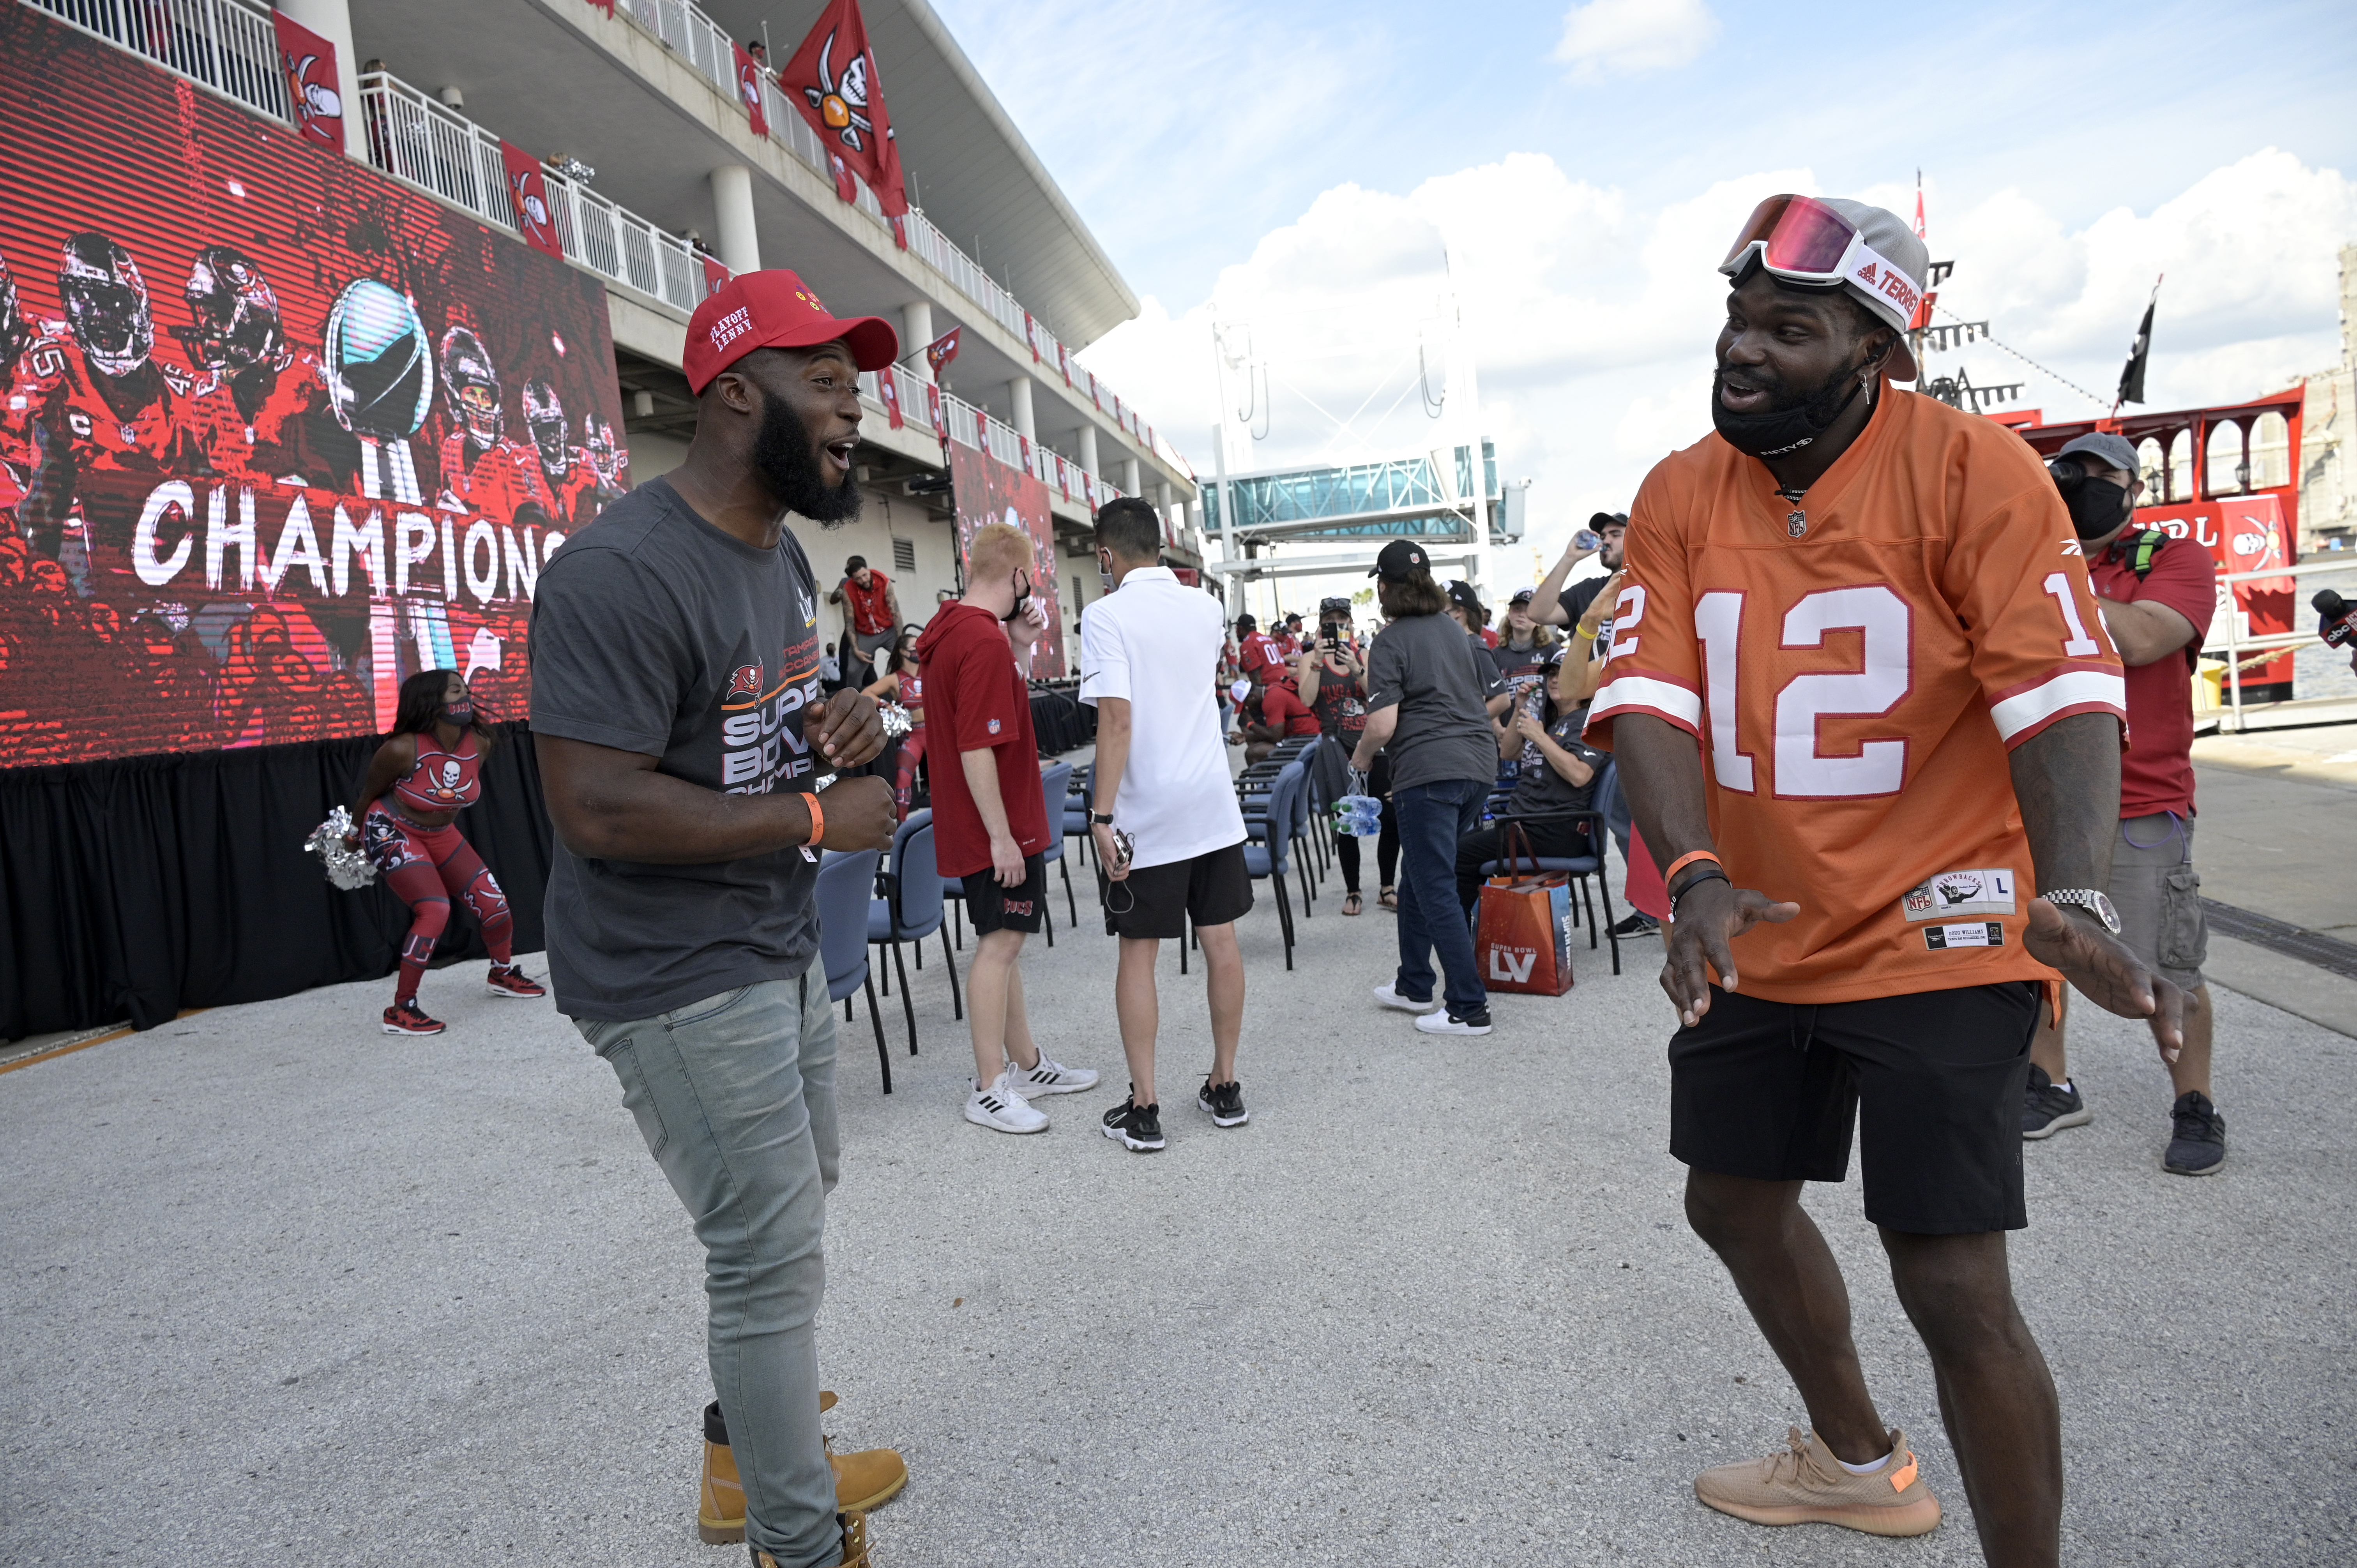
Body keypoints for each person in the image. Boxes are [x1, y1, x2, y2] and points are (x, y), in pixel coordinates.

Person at [1589, 194, 2180, 1563]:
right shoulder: (1682, 488)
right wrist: (1687, 874)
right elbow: (1647, 693)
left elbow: (2058, 691)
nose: (1740, 352)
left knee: (1946, 1273)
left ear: (1874, 353)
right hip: (1758, 916)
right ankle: (1858, 1461)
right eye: (1735, 321)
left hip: (1944, 920)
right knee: (1727, 1200)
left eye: (1785, 330)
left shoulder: (1973, 472)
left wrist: (2078, 894)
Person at [528, 267, 905, 1568]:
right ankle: (799, 1543)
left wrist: (839, 728)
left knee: (794, 1207)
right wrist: (812, 821)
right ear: (737, 396)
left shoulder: (784, 555)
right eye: (828, 383)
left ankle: (749, 1464)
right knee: (760, 1246)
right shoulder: (616, 572)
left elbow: (768, 730)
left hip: (767, 937)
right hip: (669, 970)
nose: (856, 406)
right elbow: (598, 808)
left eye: (857, 383)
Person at [2021, 432, 2224, 1175]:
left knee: (2170, 960)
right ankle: (2051, 1083)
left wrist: (2048, 572)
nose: (2083, 488)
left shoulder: (2172, 560)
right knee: (2039, 951)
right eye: (2068, 476)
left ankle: (2194, 1102)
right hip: (2041, 799)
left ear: (2134, 488)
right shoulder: (2026, 560)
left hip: (2142, 800)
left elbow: (2141, 638)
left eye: (2101, 477)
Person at [1081, 496, 1253, 1151]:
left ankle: (1146, 1104)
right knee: (1222, 941)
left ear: (1106, 555)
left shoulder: (1104, 615)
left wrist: (1100, 815)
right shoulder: (1206, 607)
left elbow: (1116, 719)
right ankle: (1224, 1083)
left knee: (1138, 953)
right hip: (1210, 801)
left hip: (1146, 808)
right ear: (1160, 546)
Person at [917, 521, 1099, 1134]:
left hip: (983, 821)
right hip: (994, 827)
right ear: (1019, 576)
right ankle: (991, 1086)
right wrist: (1001, 836)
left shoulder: (960, 631)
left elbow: (994, 713)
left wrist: (1020, 644)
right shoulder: (979, 640)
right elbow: (977, 747)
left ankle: (1024, 1064)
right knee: (999, 947)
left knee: (1006, 939)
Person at [1351, 540, 1502, 1036]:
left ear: (1385, 586)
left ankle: (1467, 1005)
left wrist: (1362, 757)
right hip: (1477, 765)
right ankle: (1415, 982)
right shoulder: (1457, 633)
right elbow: (1490, 696)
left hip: (1429, 771)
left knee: (1434, 884)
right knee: (1419, 873)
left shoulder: (1390, 642)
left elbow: (1382, 723)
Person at [347, 668, 543, 1034]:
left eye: (467, 690)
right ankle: (401, 1010)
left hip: (440, 832)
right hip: (389, 828)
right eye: (456, 691)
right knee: (434, 909)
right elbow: (367, 796)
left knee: (493, 903)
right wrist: (356, 835)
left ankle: (501, 973)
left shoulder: (480, 742)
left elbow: (452, 797)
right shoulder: (403, 749)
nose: (466, 698)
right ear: (431, 701)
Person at [1455, 651, 1604, 915]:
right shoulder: (1554, 721)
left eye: (1564, 673)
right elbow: (1509, 752)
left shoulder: (1588, 722)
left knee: (1459, 854)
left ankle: (1461, 936)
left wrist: (1540, 737)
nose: (1556, 680)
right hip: (1525, 825)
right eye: (1552, 674)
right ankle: (1477, 932)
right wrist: (1520, 708)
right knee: (1457, 844)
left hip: (1551, 832)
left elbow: (1580, 775)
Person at [1297, 597, 1371, 914]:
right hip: (1335, 743)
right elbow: (1308, 699)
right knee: (1346, 820)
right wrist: (1316, 659)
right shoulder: (1310, 659)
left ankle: (1387, 886)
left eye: (1343, 621)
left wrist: (1356, 667)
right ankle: (1353, 890)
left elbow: (1377, 693)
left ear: (1352, 626)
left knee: (1391, 816)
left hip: (1370, 740)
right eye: (1331, 622)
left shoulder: (1365, 654)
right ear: (1321, 628)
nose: (1338, 627)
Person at [861, 629, 926, 816]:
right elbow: (867, 693)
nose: (919, 650)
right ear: (904, 652)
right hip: (913, 735)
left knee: (952, 774)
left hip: (937, 733)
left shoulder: (930, 670)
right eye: (915, 647)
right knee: (903, 779)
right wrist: (886, 704)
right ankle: (902, 828)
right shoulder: (895, 679)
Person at [1535, 510, 1628, 634]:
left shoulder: (1656, 585)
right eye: (1603, 537)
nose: (1605, 541)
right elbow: (1538, 614)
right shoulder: (1590, 590)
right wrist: (1569, 558)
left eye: (1615, 535)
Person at [1442, 579, 1512, 720]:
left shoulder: (1474, 646)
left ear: (1458, 611)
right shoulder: (1457, 644)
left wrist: (1464, 726)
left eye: (1439, 606)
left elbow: (1502, 699)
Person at [829, 554, 900, 673]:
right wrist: (841, 592)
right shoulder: (846, 583)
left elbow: (896, 612)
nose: (862, 580)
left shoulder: (879, 580)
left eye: (850, 564)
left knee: (903, 655)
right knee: (852, 662)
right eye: (858, 578)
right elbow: (833, 601)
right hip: (860, 630)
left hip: (883, 628)